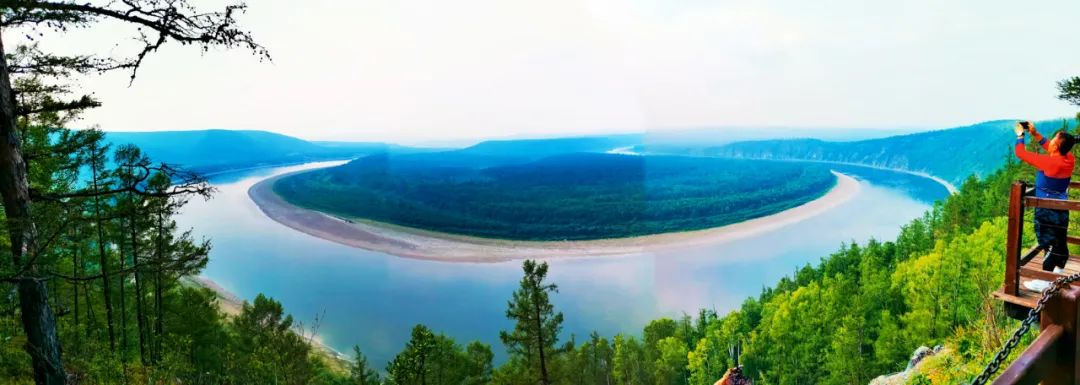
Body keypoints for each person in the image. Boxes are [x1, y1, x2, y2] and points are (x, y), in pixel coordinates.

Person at [1014, 121, 1076, 278]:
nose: (1051, 141)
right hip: (1062, 207)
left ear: (1056, 147)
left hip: (1046, 209)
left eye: (1054, 139)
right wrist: (1034, 133)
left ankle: (1045, 280)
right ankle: (1058, 272)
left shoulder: (1049, 162)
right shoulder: (1069, 158)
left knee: (1047, 242)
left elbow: (1021, 153)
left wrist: (1020, 135)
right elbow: (1050, 146)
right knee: (1059, 240)